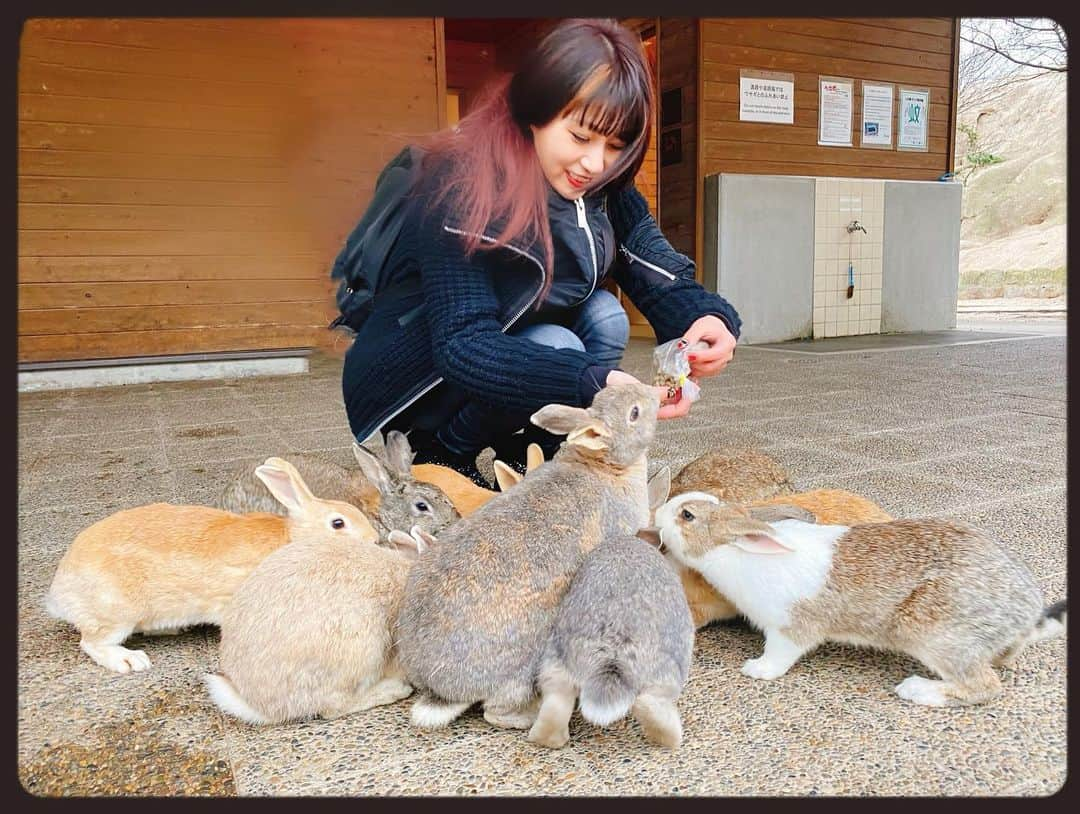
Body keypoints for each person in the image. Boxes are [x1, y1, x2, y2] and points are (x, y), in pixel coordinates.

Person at [341, 18, 740, 487]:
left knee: (606, 315)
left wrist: (708, 320)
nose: (595, 163)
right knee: (561, 347)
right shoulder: (457, 183)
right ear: (536, 110)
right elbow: (465, 344)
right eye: (580, 137)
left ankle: (538, 446)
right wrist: (594, 383)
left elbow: (656, 267)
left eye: (616, 145)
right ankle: (446, 454)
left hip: (513, 341)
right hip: (423, 375)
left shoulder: (606, 188)